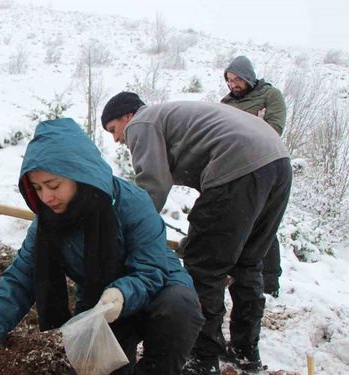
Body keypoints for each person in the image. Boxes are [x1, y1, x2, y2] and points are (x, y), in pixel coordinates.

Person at [0, 118, 204, 375]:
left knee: (179, 308)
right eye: (37, 188)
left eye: (54, 185)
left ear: (80, 175)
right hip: (101, 304)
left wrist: (121, 293)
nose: (46, 197)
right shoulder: (47, 223)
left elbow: (151, 270)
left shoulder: (132, 203)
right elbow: (21, 278)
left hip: (157, 288)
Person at [101, 93, 292, 375]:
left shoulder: (142, 121)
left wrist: (130, 231)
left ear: (127, 116)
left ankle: (202, 360)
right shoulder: (176, 117)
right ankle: (245, 352)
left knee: (203, 268)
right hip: (276, 162)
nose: (117, 139)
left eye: (113, 129)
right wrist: (198, 238)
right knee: (247, 263)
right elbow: (221, 216)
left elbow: (152, 186)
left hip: (238, 165)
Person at [221, 55, 287, 298]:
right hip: (233, 169)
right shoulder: (225, 103)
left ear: (248, 77)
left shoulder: (270, 95)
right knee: (236, 222)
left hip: (264, 164)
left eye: (237, 79)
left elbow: (273, 130)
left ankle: (270, 282)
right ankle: (234, 274)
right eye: (229, 80)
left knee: (264, 222)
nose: (233, 85)